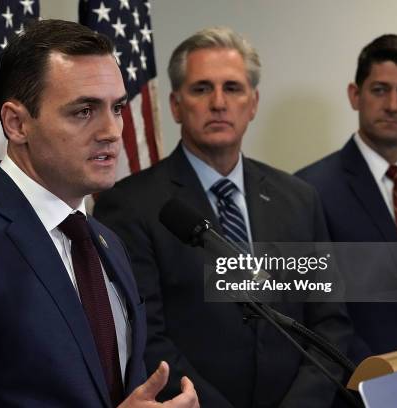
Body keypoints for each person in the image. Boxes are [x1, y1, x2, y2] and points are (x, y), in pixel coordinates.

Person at [0, 19, 198, 408]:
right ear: (16, 123)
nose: (113, 130)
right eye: (84, 111)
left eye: (116, 107)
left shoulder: (107, 243)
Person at [94, 27, 351, 407]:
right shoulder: (129, 204)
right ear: (177, 105)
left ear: (253, 103)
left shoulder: (299, 198)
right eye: (201, 89)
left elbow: (330, 323)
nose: (218, 102)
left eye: (232, 88)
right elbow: (148, 338)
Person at [296, 34, 397, 363]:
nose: (393, 105)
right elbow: (315, 309)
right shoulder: (309, 190)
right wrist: (377, 380)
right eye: (380, 90)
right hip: (359, 389)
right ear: (355, 95)